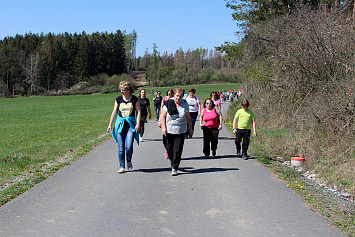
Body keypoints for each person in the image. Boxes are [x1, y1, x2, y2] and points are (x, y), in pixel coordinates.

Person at [107, 81, 141, 173]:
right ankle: (121, 166)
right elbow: (114, 111)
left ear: (128, 90)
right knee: (121, 147)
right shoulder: (118, 99)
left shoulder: (134, 99)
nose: (122, 91)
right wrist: (110, 124)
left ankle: (129, 160)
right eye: (121, 90)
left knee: (129, 146)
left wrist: (137, 124)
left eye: (123, 90)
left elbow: (138, 112)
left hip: (130, 125)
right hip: (120, 125)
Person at [161, 88, 193, 176]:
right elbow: (162, 116)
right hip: (169, 130)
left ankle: (174, 167)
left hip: (180, 131)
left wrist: (190, 129)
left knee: (178, 150)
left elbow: (188, 117)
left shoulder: (185, 104)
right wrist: (163, 127)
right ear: (173, 96)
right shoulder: (168, 103)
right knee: (169, 148)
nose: (178, 98)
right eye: (176, 96)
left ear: (182, 97)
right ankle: (172, 160)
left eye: (180, 96)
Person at [158, 89, 174, 159]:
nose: (170, 94)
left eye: (171, 93)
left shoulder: (174, 99)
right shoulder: (164, 99)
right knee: (165, 137)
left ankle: (172, 150)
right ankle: (167, 149)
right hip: (165, 118)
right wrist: (160, 120)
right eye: (169, 93)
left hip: (172, 119)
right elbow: (162, 109)